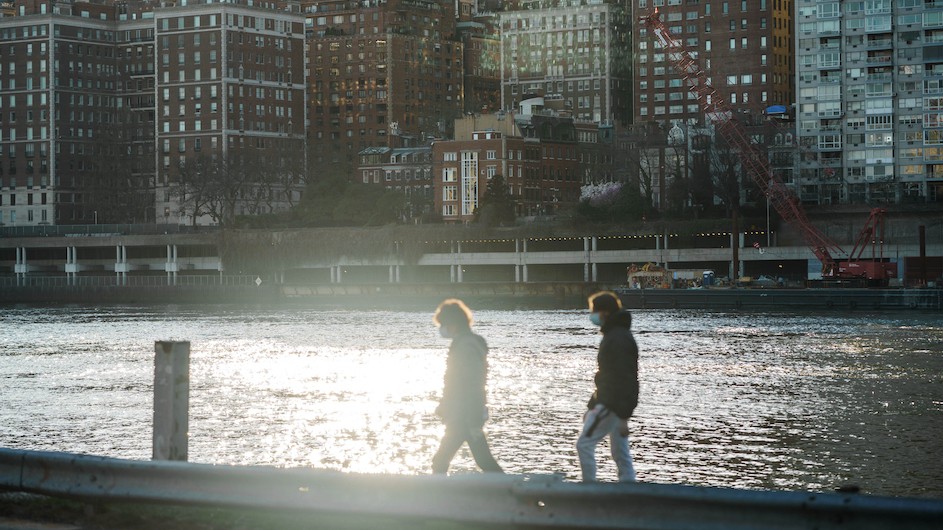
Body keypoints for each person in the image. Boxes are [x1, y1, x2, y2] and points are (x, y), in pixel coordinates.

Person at [431, 299, 504, 475]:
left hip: (463, 416)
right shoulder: (468, 344)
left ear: (453, 323)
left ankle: (437, 498)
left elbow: (470, 384)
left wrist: (473, 420)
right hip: (463, 415)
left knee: (440, 461)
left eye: (443, 324)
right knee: (484, 460)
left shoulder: (465, 347)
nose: (442, 329)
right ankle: (510, 491)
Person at [577, 291, 639, 482]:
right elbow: (607, 376)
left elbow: (623, 378)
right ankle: (628, 487)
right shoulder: (617, 335)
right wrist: (592, 405)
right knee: (620, 451)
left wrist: (622, 415)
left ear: (604, 313)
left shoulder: (617, 338)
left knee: (584, 444)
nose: (592, 316)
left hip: (610, 404)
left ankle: (588, 488)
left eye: (594, 311)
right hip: (613, 403)